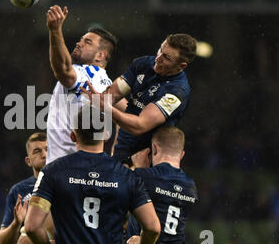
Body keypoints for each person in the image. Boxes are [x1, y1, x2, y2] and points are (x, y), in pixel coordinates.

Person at [24, 106, 161, 244]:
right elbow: (153, 227)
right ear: (106, 135)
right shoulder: (127, 176)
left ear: (73, 136)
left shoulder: (52, 172)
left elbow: (32, 227)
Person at [81, 33, 197, 165]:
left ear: (181, 66)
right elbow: (110, 96)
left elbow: (139, 126)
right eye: (160, 50)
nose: (158, 58)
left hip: (146, 160)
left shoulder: (176, 92)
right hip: (121, 151)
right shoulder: (143, 64)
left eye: (167, 57)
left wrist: (106, 108)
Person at [45, 5, 126, 164]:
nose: (79, 43)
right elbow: (132, 115)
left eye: (87, 42)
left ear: (101, 55)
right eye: (81, 40)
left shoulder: (86, 74)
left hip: (63, 168)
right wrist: (117, 154)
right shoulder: (107, 84)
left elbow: (63, 69)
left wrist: (55, 30)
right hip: (87, 168)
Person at [126, 126, 198, 244]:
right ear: (182, 154)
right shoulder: (191, 186)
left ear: (154, 149)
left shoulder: (142, 177)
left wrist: (137, 167)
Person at [0, 132, 54, 244]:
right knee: (25, 240)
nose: (44, 155)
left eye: (47, 150)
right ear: (29, 161)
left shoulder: (67, 181)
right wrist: (16, 223)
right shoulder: (19, 191)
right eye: (37, 151)